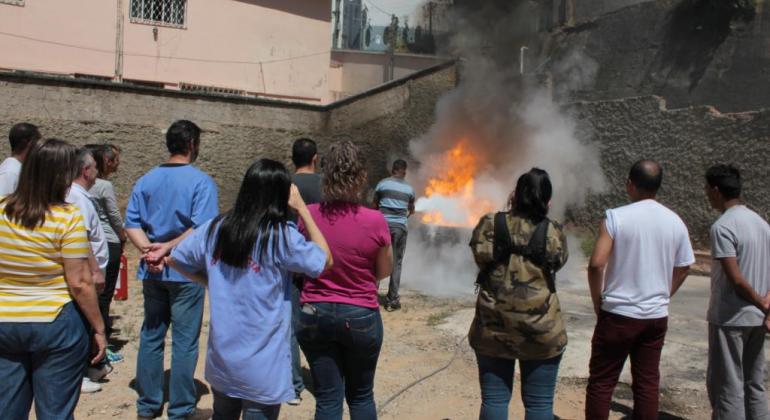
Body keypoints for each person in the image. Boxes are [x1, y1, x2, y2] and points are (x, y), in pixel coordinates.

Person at [168, 159, 332, 420]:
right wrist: (303, 209)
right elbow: (324, 261)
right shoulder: (280, 235)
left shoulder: (216, 228)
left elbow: (176, 258)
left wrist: (208, 281)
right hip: (262, 364)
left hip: (222, 359)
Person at [0, 138, 106, 419]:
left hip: (5, 321)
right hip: (56, 322)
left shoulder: (1, 210)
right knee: (55, 412)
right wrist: (98, 327)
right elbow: (80, 282)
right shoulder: (67, 216)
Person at [585, 159, 695, 420]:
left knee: (601, 383)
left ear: (630, 185)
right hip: (655, 318)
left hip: (618, 315)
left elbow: (596, 264)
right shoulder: (675, 221)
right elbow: (685, 266)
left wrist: (598, 303)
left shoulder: (615, 217)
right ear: (658, 187)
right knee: (646, 384)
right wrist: (664, 293)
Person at [125, 120, 219, 420]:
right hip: (185, 271)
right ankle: (181, 408)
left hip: (152, 271)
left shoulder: (145, 180)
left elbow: (132, 224)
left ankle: (148, 405)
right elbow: (202, 227)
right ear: (192, 143)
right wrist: (167, 249)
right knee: (185, 340)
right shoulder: (202, 182)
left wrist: (149, 250)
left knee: (151, 335)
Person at [296, 140, 393, 420]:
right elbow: (384, 271)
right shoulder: (376, 220)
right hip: (361, 314)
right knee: (361, 396)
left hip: (314, 311)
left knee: (327, 398)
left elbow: (301, 265)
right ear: (361, 176)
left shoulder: (309, 215)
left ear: (325, 174)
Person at [468, 168, 569, 420]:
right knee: (539, 405)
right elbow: (559, 261)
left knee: (494, 399)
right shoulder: (553, 231)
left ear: (515, 194)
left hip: (493, 328)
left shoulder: (490, 224)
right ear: (547, 200)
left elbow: (479, 257)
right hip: (542, 331)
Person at [704, 164, 770, 420]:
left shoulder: (723, 227)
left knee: (727, 386)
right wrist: (766, 305)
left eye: (707, 189)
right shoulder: (762, 224)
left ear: (716, 190)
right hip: (757, 319)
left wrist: (763, 305)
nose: (707, 194)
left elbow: (736, 280)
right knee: (754, 382)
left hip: (730, 317)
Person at [288, 137, 323, 405]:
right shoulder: (327, 185)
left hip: (289, 262)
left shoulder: (284, 185)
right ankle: (325, 381)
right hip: (321, 262)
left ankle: (293, 386)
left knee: (290, 326)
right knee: (321, 323)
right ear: (315, 158)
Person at [85, 143, 126, 363]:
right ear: (107, 161)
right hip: (108, 241)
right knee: (105, 294)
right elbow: (113, 215)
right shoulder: (104, 186)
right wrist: (123, 234)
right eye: (116, 160)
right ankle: (101, 344)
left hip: (89, 244)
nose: (118, 165)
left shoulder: (78, 186)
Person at [374, 159, 415, 312]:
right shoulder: (409, 189)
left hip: (381, 227)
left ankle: (371, 295)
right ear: (404, 171)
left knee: (377, 259)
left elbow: (375, 206)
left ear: (392, 169)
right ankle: (392, 300)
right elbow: (411, 211)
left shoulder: (382, 184)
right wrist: (402, 218)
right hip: (399, 229)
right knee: (396, 263)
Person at [0, 122, 41, 195]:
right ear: (28, 143)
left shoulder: (18, 169)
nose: (41, 146)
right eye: (39, 141)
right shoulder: (10, 172)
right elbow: (3, 203)